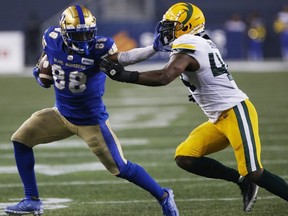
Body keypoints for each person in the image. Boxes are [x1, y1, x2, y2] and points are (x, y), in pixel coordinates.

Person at [100, 2, 288, 212]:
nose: (167, 29)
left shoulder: (190, 42)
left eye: (173, 25)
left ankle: (250, 180)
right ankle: (241, 181)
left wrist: (125, 76)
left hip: (235, 111)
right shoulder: (198, 40)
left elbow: (165, 76)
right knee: (185, 157)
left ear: (188, 26)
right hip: (219, 117)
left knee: (254, 171)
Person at [4, 5, 179, 216]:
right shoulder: (51, 38)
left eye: (88, 34)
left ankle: (164, 196)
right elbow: (46, 63)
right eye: (78, 35)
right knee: (21, 140)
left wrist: (153, 48)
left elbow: (126, 58)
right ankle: (31, 199)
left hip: (91, 122)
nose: (85, 39)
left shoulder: (100, 47)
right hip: (61, 115)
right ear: (64, 33)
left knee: (121, 168)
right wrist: (41, 74)